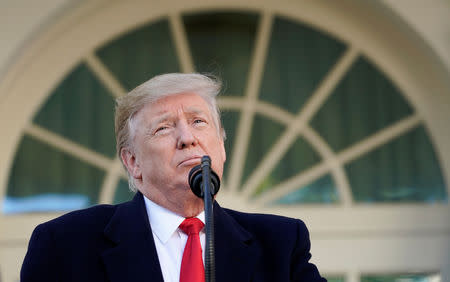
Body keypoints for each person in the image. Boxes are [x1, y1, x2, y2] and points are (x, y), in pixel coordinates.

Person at [21, 73, 326, 282]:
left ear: (220, 146)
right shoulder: (64, 245)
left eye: (198, 121)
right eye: (164, 127)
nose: (187, 138)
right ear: (132, 161)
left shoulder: (282, 244)